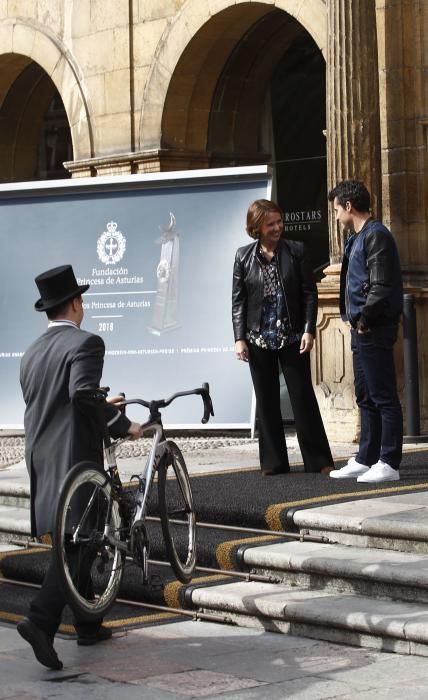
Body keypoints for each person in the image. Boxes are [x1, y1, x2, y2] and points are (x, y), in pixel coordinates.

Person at [17, 264, 143, 670]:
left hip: (42, 456)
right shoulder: (87, 343)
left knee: (75, 539)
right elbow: (83, 396)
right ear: (76, 303)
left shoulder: (33, 350)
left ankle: (88, 625)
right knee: (81, 540)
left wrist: (101, 404)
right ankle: (40, 621)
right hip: (75, 457)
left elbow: (60, 400)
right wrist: (125, 425)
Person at [232, 198, 333, 476]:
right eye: (271, 224)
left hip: (291, 336)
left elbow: (309, 294)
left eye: (279, 222)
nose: (278, 227)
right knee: (266, 403)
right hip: (258, 339)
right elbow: (238, 301)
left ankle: (319, 461)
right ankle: (274, 463)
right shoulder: (243, 257)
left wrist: (308, 329)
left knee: (302, 400)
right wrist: (239, 338)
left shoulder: (296, 251)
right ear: (257, 227)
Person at [328, 180, 403, 483]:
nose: (335, 217)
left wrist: (363, 319)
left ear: (349, 206)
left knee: (383, 395)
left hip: (373, 326)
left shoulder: (376, 236)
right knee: (365, 395)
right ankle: (366, 457)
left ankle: (388, 461)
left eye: (336, 210)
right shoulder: (356, 239)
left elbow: (381, 285)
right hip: (361, 327)